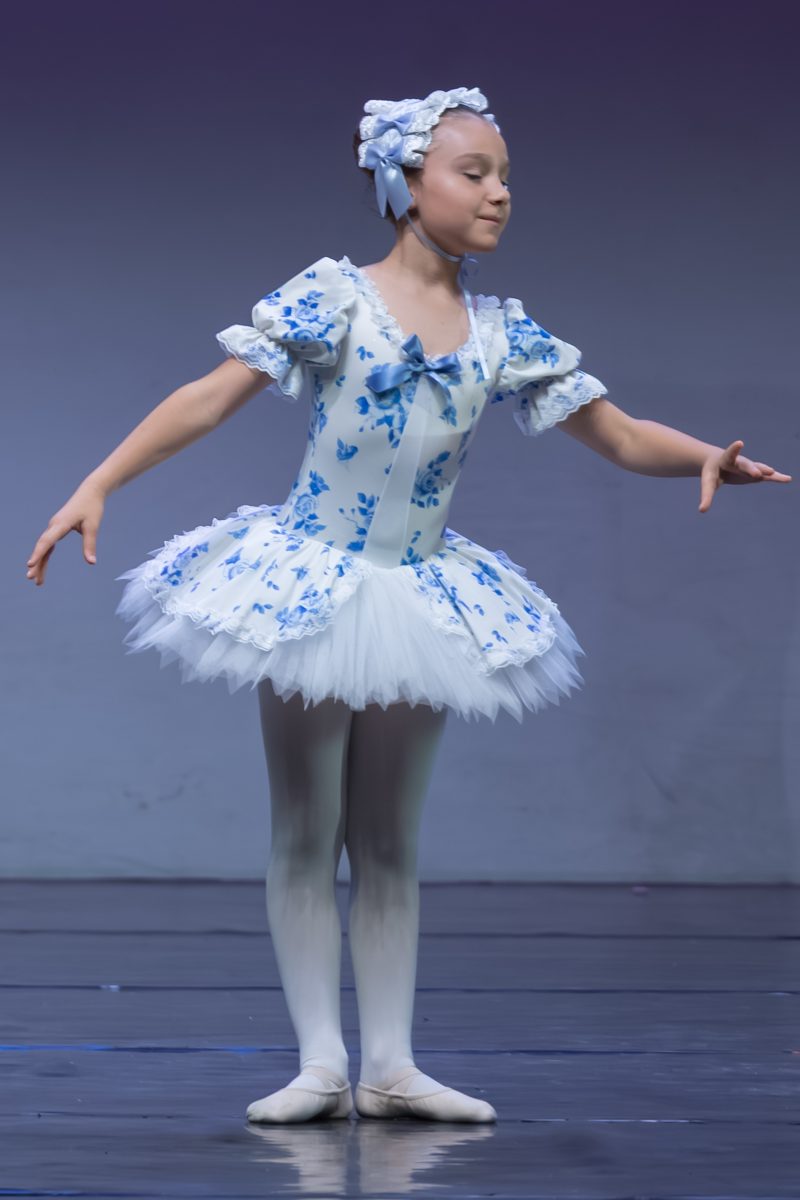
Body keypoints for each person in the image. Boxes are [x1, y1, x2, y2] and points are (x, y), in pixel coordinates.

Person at [25, 86, 791, 1125]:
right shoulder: (335, 296)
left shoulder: (501, 331)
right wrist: (99, 482)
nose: (498, 194)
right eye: (473, 173)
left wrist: (704, 456)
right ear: (404, 183)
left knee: (389, 836)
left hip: (419, 594)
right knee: (308, 826)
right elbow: (210, 394)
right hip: (310, 584)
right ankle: (317, 1061)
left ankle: (389, 1063)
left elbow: (614, 431)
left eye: (505, 177)